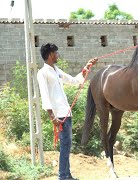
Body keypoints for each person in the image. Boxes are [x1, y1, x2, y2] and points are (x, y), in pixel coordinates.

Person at [37, 43, 97, 179]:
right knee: (65, 146)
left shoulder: (56, 70)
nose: (58, 55)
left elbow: (73, 80)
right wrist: (52, 117)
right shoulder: (42, 73)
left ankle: (66, 175)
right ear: (51, 54)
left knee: (67, 145)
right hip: (59, 116)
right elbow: (45, 96)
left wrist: (86, 68)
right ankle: (63, 176)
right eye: (56, 53)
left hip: (66, 113)